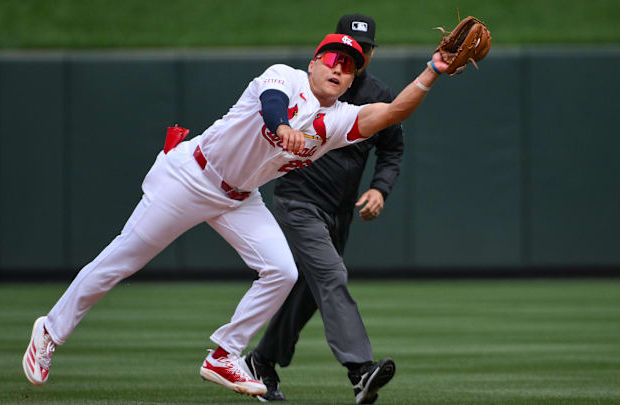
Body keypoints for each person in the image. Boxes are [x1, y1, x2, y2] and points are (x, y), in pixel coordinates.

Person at [23, 30, 451, 398]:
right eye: (334, 58)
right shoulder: (285, 77)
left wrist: (433, 70)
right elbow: (271, 105)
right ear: (314, 62)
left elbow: (392, 113)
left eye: (351, 65)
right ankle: (50, 331)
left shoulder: (339, 119)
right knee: (122, 261)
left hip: (239, 197)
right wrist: (283, 128)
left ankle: (225, 354)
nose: (340, 68)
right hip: (191, 176)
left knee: (282, 271)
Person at [241, 14, 404, 404]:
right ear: (329, 46)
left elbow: (392, 149)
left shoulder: (377, 94)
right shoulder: (311, 87)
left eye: (362, 50)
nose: (352, 55)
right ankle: (360, 371)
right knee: (331, 275)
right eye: (346, 45)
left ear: (370, 54)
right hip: (299, 200)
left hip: (340, 211)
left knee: (309, 291)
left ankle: (262, 361)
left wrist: (380, 189)